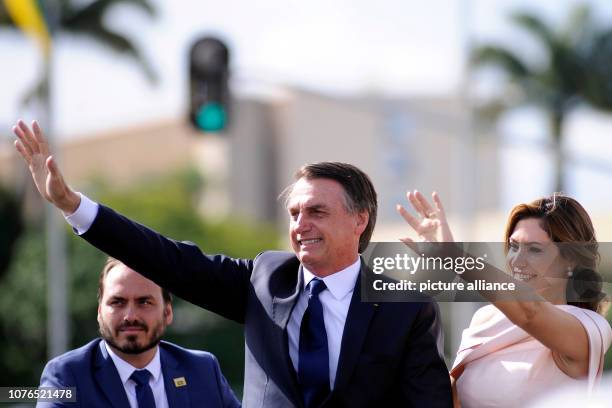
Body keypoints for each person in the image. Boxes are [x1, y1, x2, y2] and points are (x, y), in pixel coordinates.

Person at [14, 120, 452, 408]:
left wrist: (459, 262)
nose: (300, 225)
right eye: (294, 213)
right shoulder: (266, 281)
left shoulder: (405, 308)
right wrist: (73, 206)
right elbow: (166, 258)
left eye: (316, 212)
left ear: (360, 220)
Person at [398, 190, 612, 407]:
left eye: (535, 250)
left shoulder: (590, 328)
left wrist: (455, 257)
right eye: (514, 246)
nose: (517, 260)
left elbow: (531, 313)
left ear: (571, 261)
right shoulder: (486, 317)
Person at [37, 257, 240, 408]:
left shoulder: (203, 370)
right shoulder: (67, 375)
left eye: (144, 302)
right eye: (117, 302)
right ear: (99, 312)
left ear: (167, 312)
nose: (130, 316)